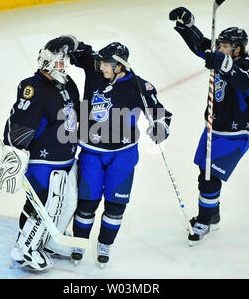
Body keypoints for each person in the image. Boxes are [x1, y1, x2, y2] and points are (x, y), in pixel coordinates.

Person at [47, 36, 172, 267]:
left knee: (115, 206)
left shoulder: (140, 86)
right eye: (101, 62)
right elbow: (81, 50)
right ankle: (80, 242)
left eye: (106, 64)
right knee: (87, 202)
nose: (100, 66)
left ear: (119, 66)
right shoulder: (96, 68)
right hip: (91, 151)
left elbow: (160, 113)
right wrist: (70, 43)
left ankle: (105, 244)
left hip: (123, 154)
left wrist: (160, 127)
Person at [169, 7, 249, 246]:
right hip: (213, 127)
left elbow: (243, 82)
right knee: (204, 172)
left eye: (225, 46)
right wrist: (186, 26)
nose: (219, 49)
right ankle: (214, 214)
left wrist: (223, 62)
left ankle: (204, 221)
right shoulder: (222, 56)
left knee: (209, 179)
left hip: (235, 133)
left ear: (238, 49)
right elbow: (201, 45)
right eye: (219, 45)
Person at [0, 39, 80, 271]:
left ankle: (49, 241)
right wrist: (13, 154)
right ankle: (25, 250)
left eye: (65, 63)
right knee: (43, 205)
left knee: (64, 204)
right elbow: (21, 124)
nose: (64, 67)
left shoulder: (68, 83)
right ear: (47, 62)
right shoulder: (33, 87)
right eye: (60, 63)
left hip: (66, 158)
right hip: (42, 161)